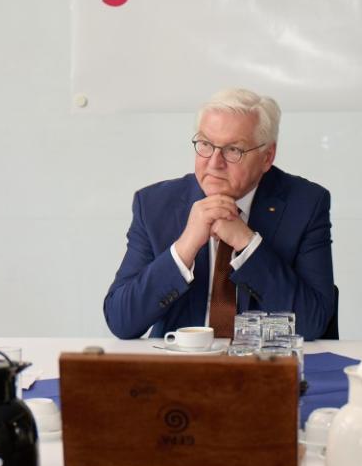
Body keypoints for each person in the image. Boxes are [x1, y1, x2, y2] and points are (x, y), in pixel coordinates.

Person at [104, 88, 336, 340]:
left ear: (267, 157)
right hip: (181, 359)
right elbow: (121, 320)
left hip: (262, 359)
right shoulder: (154, 205)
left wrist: (247, 245)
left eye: (233, 149)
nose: (214, 163)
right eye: (205, 144)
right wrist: (184, 248)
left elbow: (312, 323)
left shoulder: (305, 204)